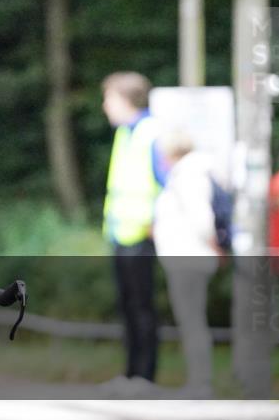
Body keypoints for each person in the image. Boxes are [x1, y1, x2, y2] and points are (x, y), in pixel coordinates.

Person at [100, 72, 166, 392]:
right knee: (127, 306)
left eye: (109, 98)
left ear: (126, 100)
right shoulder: (126, 133)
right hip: (122, 234)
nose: (105, 106)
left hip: (142, 234)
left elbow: (166, 183)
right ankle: (130, 375)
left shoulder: (151, 133)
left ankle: (145, 377)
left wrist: (156, 223)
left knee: (142, 308)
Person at [154, 129, 220, 397]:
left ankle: (200, 383)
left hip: (188, 258)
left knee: (192, 321)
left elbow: (201, 218)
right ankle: (198, 381)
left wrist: (212, 243)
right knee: (192, 320)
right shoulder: (190, 173)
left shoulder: (188, 175)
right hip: (188, 257)